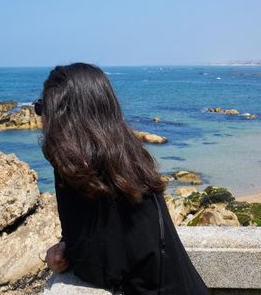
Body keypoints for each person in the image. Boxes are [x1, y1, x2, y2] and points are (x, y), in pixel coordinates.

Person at [38, 62, 208, 294]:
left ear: (60, 115)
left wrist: (63, 256)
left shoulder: (81, 171)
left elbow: (102, 266)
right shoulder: (127, 156)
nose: (40, 118)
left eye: (41, 108)